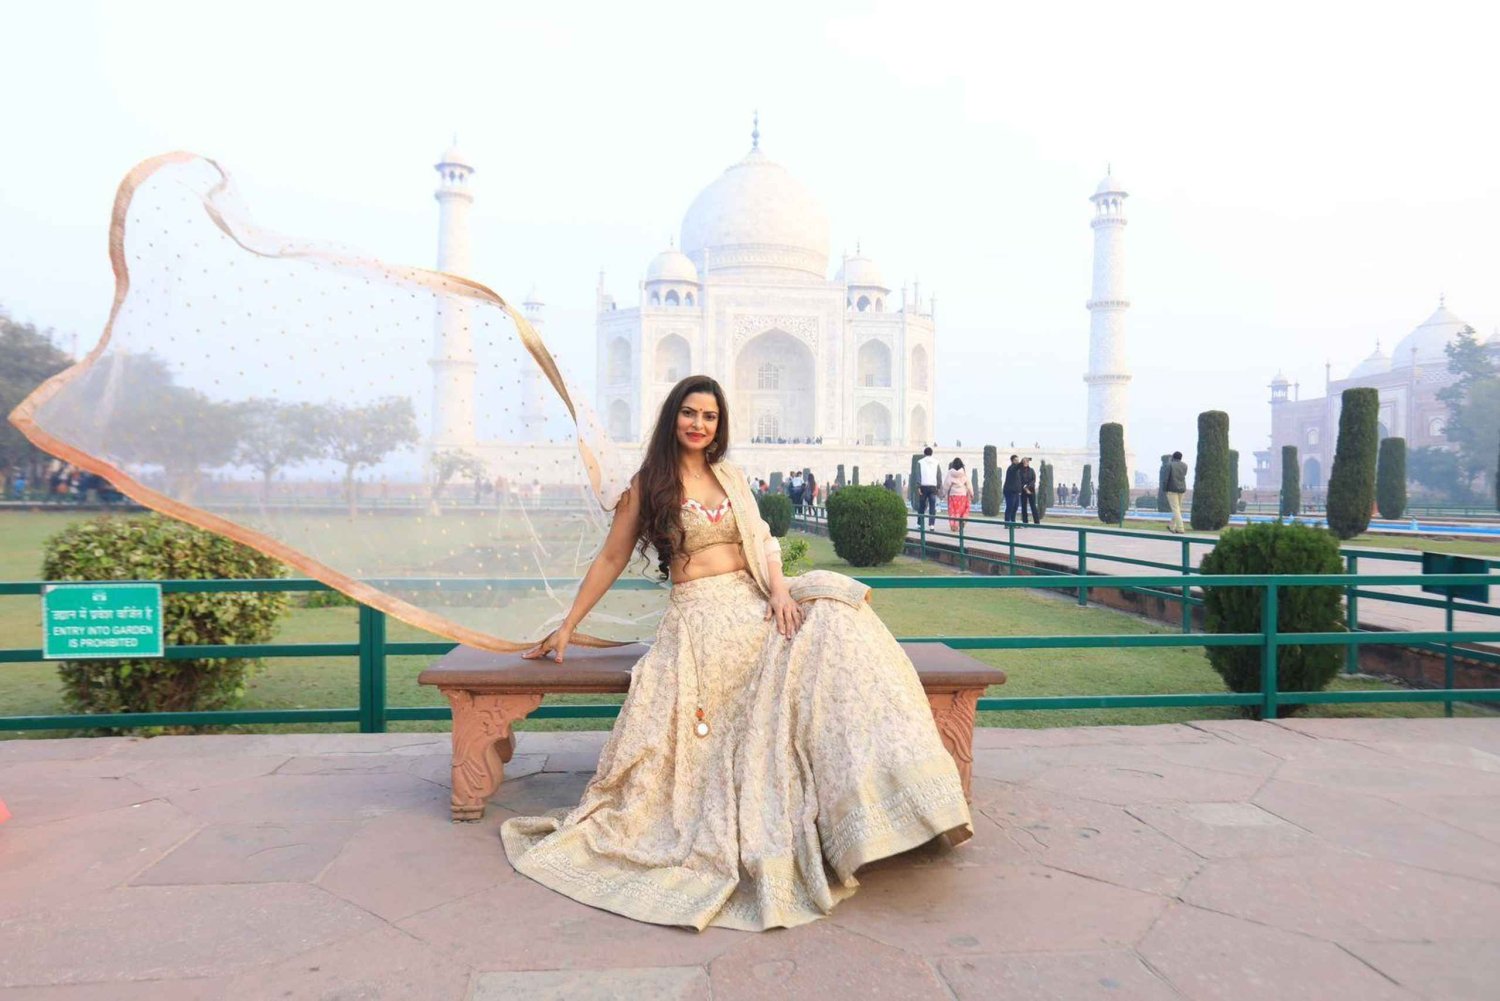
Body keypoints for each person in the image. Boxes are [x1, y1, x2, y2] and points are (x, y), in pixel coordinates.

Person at [504, 376, 972, 931]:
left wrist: (778, 591)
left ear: (719, 425)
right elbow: (610, 559)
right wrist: (568, 626)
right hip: (700, 621)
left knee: (837, 616)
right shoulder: (648, 484)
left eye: (709, 416)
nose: (699, 424)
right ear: (672, 418)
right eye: (689, 413)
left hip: (754, 601)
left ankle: (887, 802)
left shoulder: (729, 478)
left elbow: (765, 541)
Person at [941, 457, 975, 533]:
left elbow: (946, 484)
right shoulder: (964, 473)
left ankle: (954, 526)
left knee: (953, 511)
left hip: (953, 495)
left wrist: (944, 493)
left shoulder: (950, 473)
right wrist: (972, 493)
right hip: (962, 495)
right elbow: (969, 484)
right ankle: (962, 521)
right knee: (962, 510)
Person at [1165, 450, 1189, 533]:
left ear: (1173, 457)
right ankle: (1171, 526)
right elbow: (1183, 475)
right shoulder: (1185, 465)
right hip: (1182, 489)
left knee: (1176, 509)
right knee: (1178, 509)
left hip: (1172, 489)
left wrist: (1164, 489)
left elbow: (1166, 478)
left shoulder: (1170, 465)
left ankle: (1180, 528)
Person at [916, 447, 940, 529]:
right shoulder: (936, 462)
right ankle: (932, 525)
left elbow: (918, 475)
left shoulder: (920, 462)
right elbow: (938, 475)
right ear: (931, 453)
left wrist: (918, 486)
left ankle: (920, 524)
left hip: (923, 486)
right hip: (933, 486)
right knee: (932, 507)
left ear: (924, 453)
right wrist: (938, 487)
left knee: (922, 506)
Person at [1002, 454, 1022, 523]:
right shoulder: (1011, 468)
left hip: (1016, 491)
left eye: (1018, 460)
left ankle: (1013, 523)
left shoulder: (1017, 470)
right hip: (1009, 491)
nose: (1017, 461)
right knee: (1010, 507)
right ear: (1012, 461)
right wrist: (1022, 462)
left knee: (1015, 508)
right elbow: (1017, 467)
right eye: (1016, 460)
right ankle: (1007, 523)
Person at [1020, 457, 1041, 525]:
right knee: (1024, 506)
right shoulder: (1019, 471)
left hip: (1031, 490)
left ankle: (1037, 522)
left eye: (1027, 461)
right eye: (1025, 461)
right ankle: (1025, 522)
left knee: (1033, 506)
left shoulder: (1031, 470)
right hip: (1023, 490)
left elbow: (1033, 479)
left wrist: (1028, 487)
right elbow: (1019, 480)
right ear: (1022, 462)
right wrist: (1025, 488)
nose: (1026, 462)